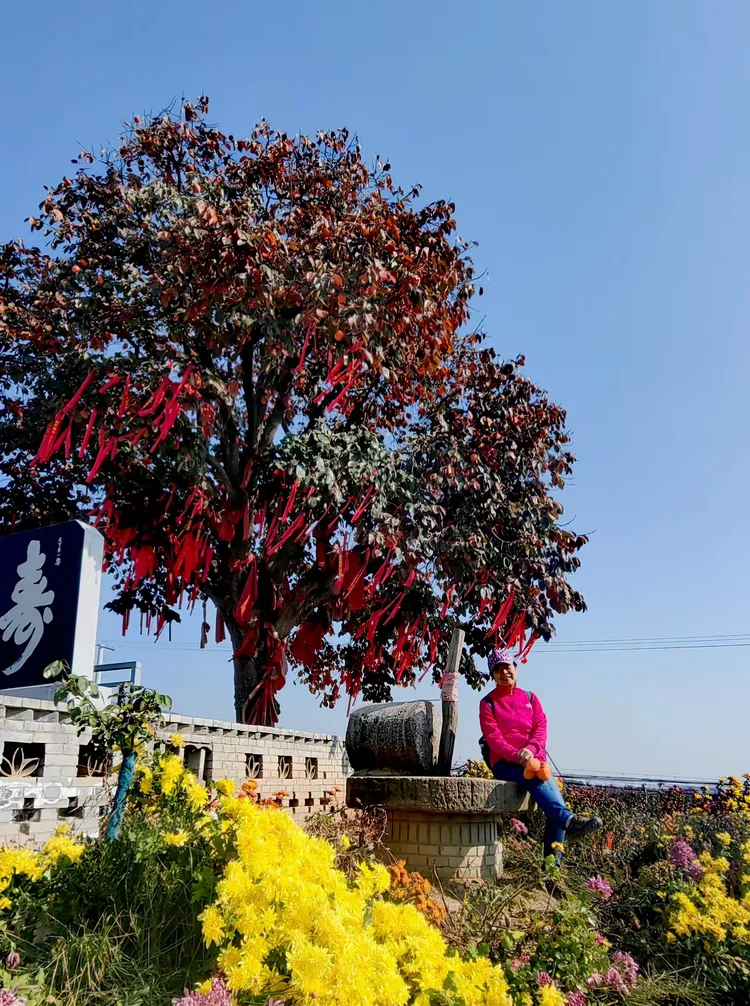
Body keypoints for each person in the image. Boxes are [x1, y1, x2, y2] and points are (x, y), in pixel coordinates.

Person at [479, 646, 601, 862]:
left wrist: (532, 750)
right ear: (493, 676)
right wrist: (518, 754)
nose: (504, 672)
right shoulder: (488, 703)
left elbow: (540, 728)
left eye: (507, 667)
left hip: (535, 759)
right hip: (506, 763)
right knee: (544, 789)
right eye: (498, 669)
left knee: (555, 803)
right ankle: (569, 824)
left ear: (514, 668)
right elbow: (493, 738)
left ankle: (552, 873)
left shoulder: (530, 697)